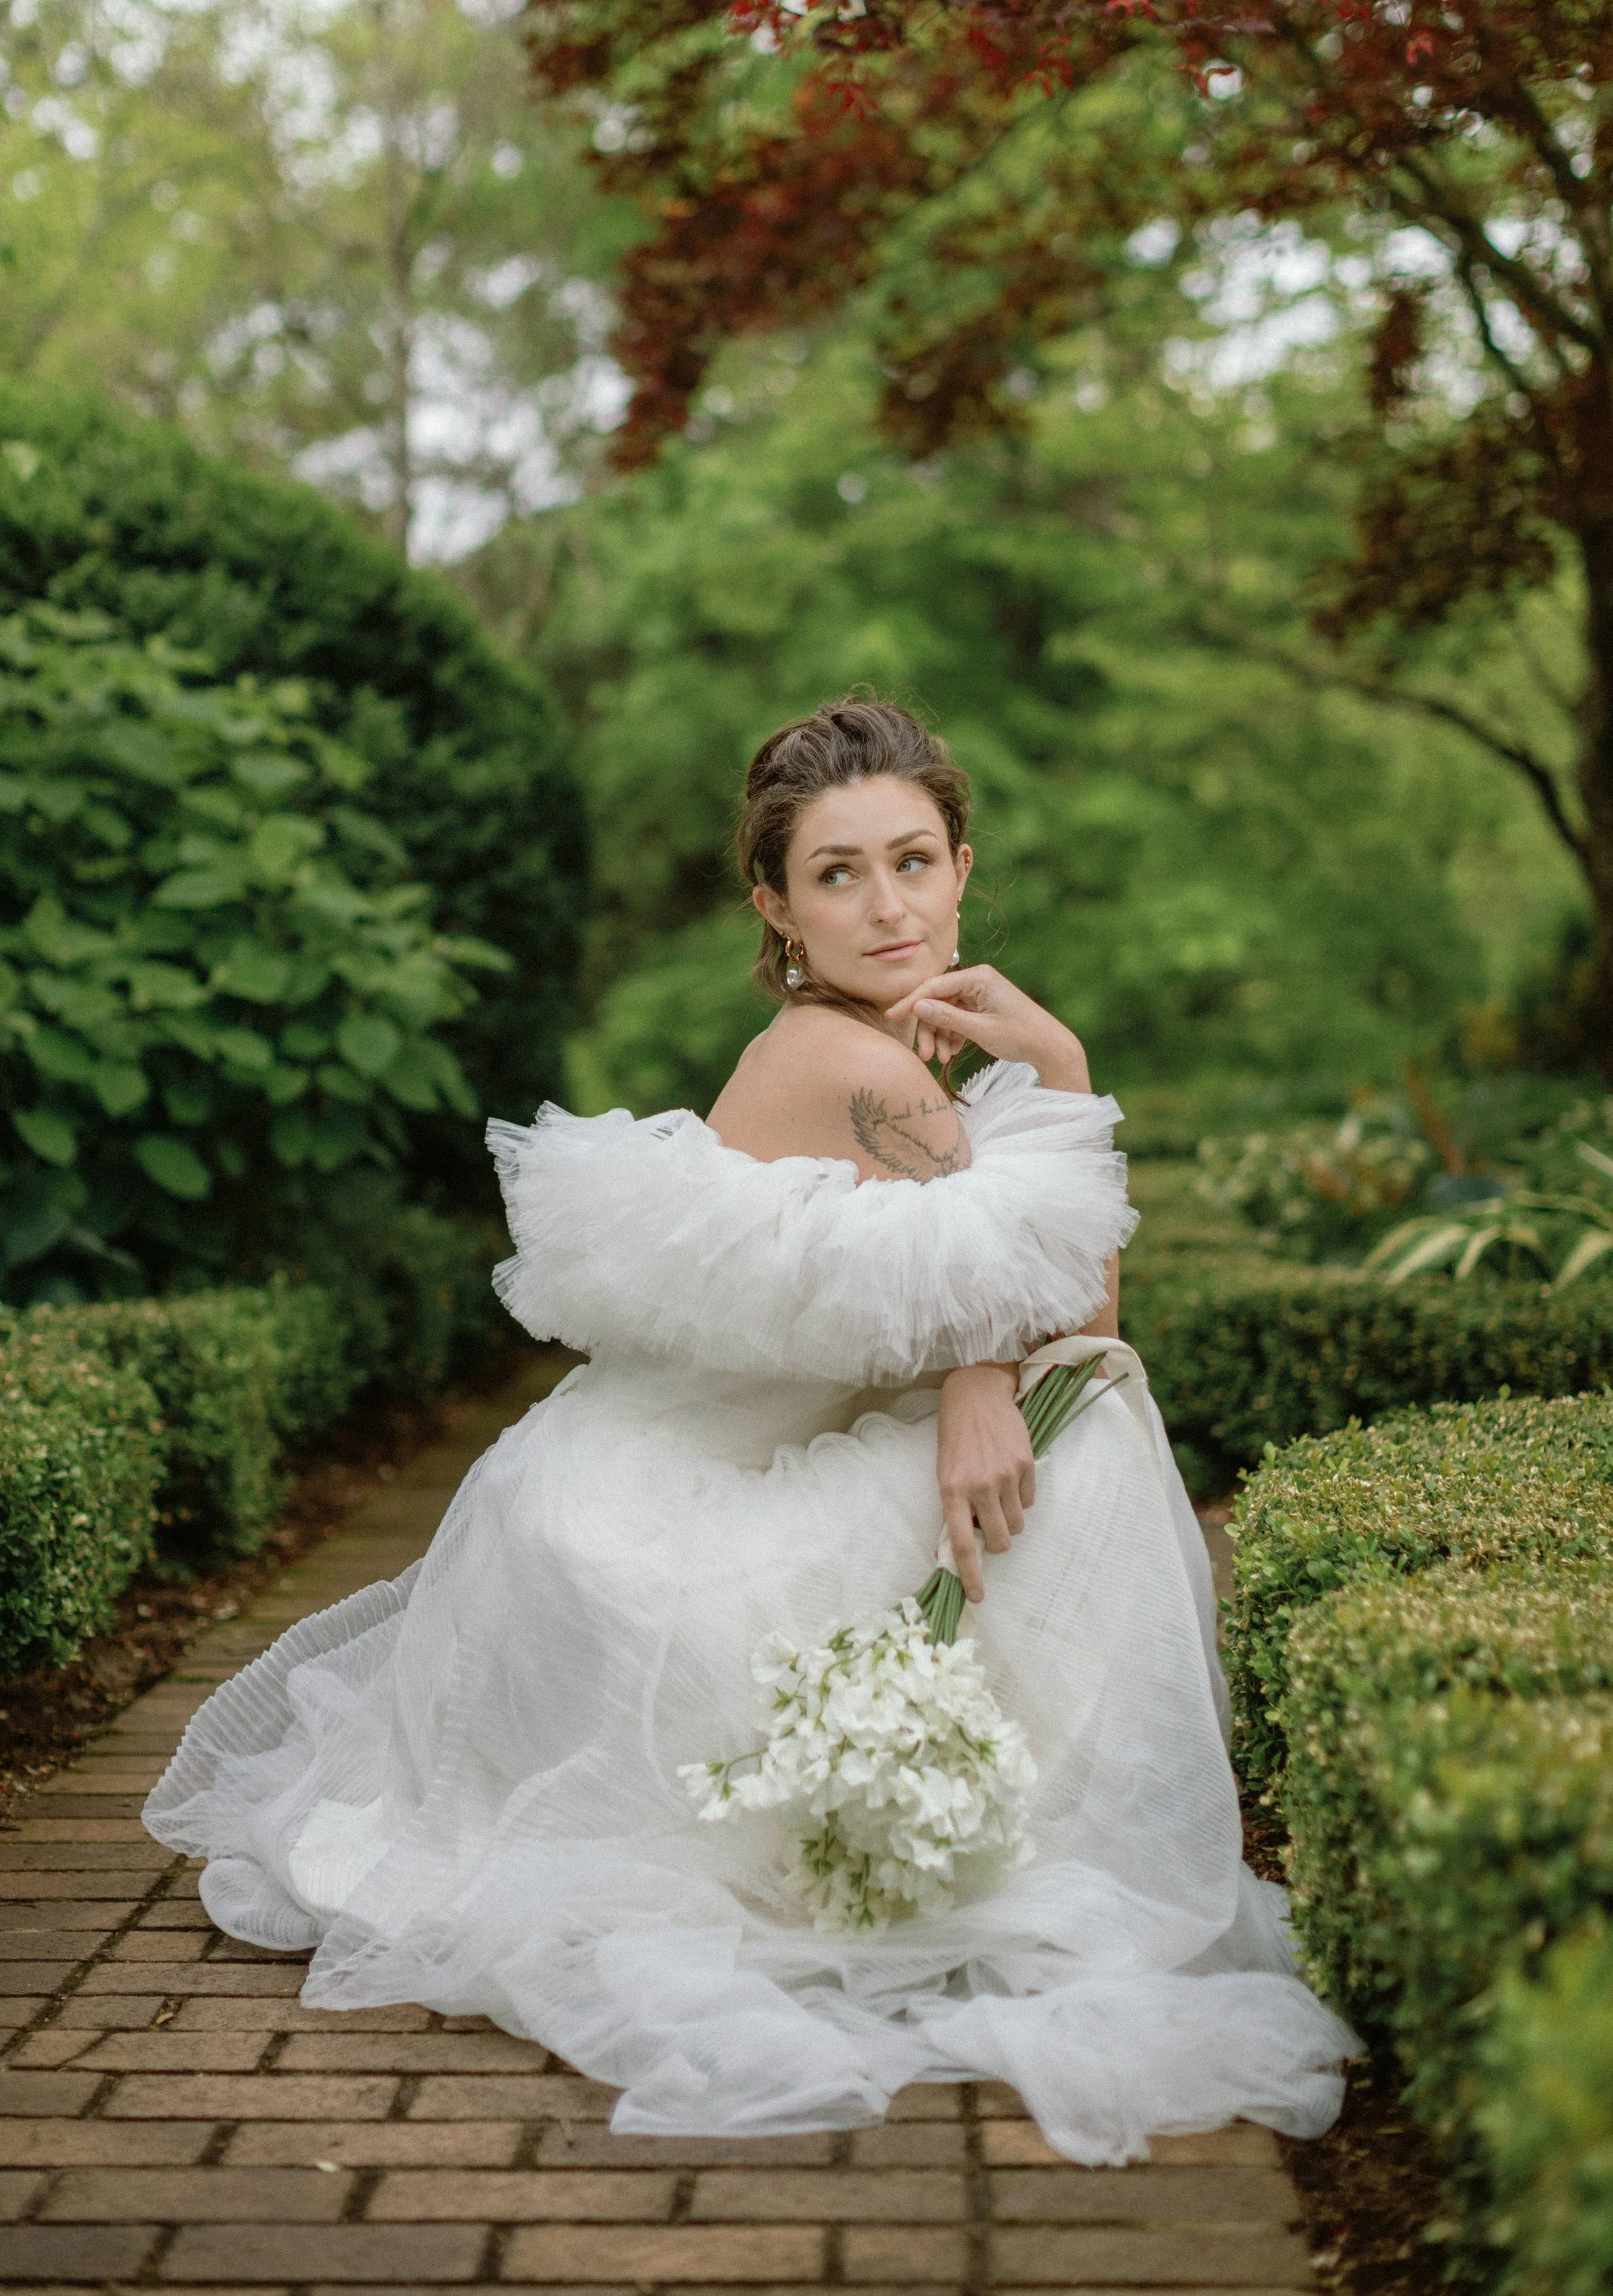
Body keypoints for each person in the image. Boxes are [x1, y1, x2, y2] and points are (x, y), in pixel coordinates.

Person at [144, 694, 1357, 2161]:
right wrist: (1042, 1163)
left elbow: (1058, 1302)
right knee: (1093, 1428)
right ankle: (1047, 1825)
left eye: (911, 860)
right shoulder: (847, 1066)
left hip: (646, 1493)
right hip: (655, 1543)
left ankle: (1011, 1812)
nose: (885, 904)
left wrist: (1046, 1104)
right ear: (773, 908)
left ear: (963, 867)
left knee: (1070, 1410)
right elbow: (1078, 1308)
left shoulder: (906, 1051)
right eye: (835, 874)